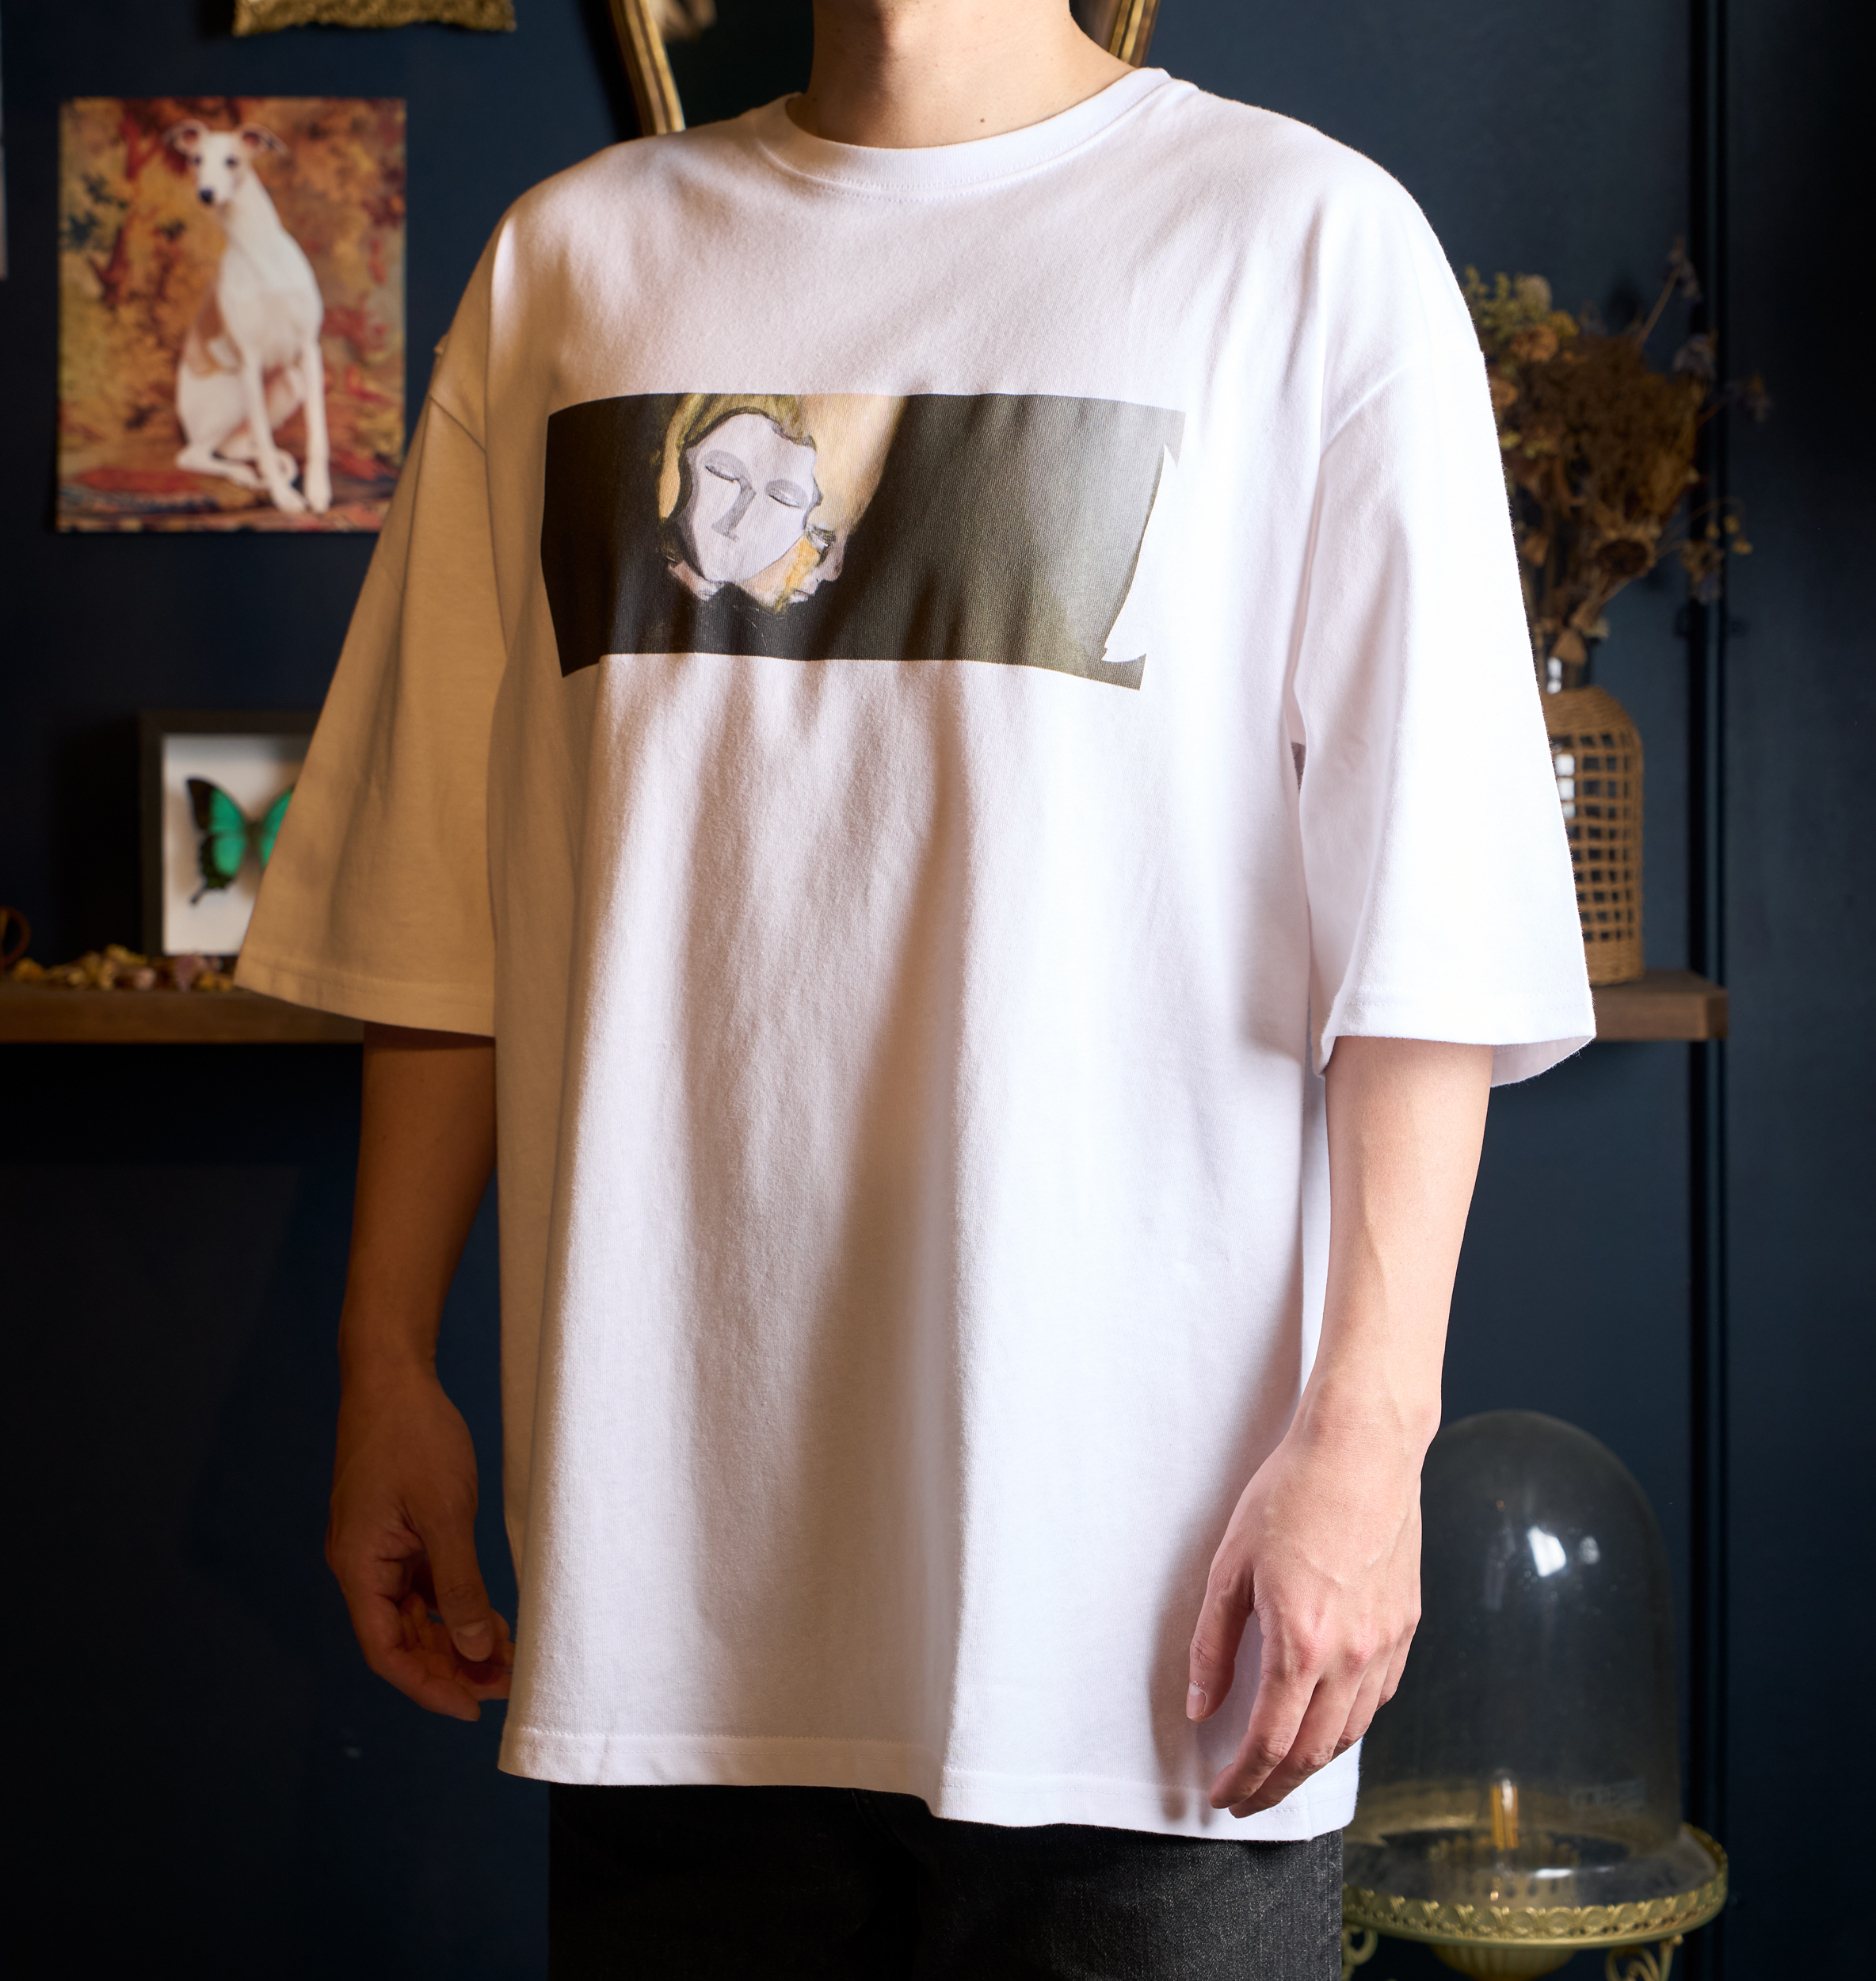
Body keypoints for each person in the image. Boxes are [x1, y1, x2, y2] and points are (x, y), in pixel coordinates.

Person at [237, 2, 1594, 1974]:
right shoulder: (570, 266)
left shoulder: (1297, 240)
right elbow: (435, 897)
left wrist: (1368, 1439)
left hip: (1151, 1615)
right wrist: (385, 1361)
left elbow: (1430, 923)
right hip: (668, 1606)